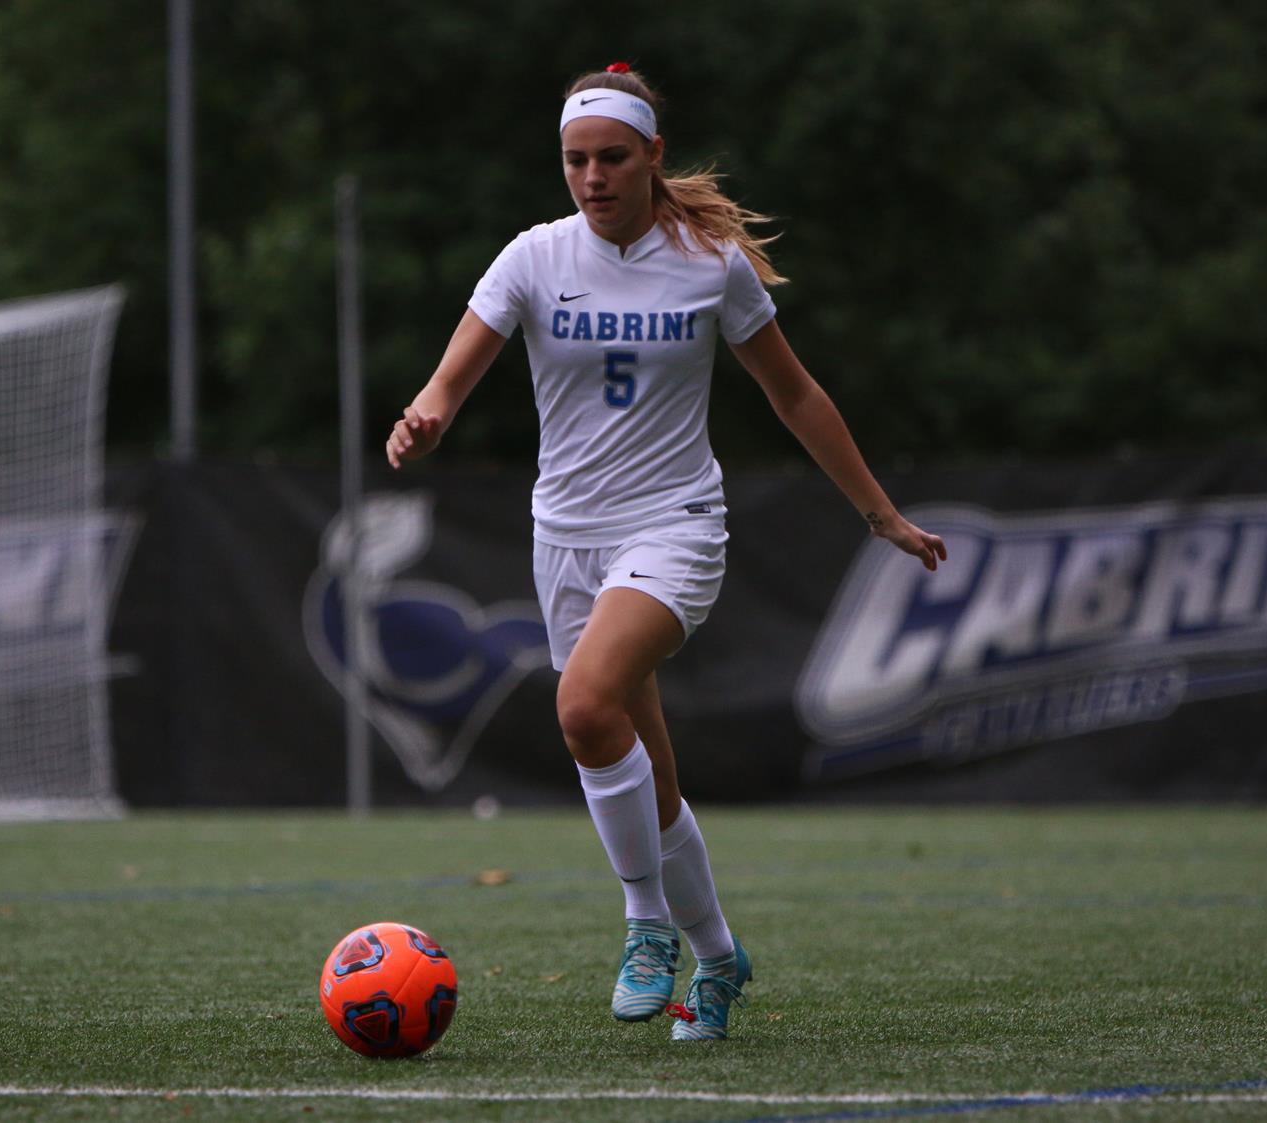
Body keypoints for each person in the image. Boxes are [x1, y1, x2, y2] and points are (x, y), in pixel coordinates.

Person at [385, 63, 946, 1041]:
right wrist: (427, 413)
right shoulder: (532, 257)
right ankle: (720, 959)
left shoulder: (707, 261)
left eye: (610, 156)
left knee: (582, 704)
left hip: (674, 526)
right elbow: (452, 373)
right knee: (649, 774)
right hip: (564, 539)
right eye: (574, 159)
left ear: (650, 156)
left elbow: (794, 394)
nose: (591, 176)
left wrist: (877, 512)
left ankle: (645, 926)